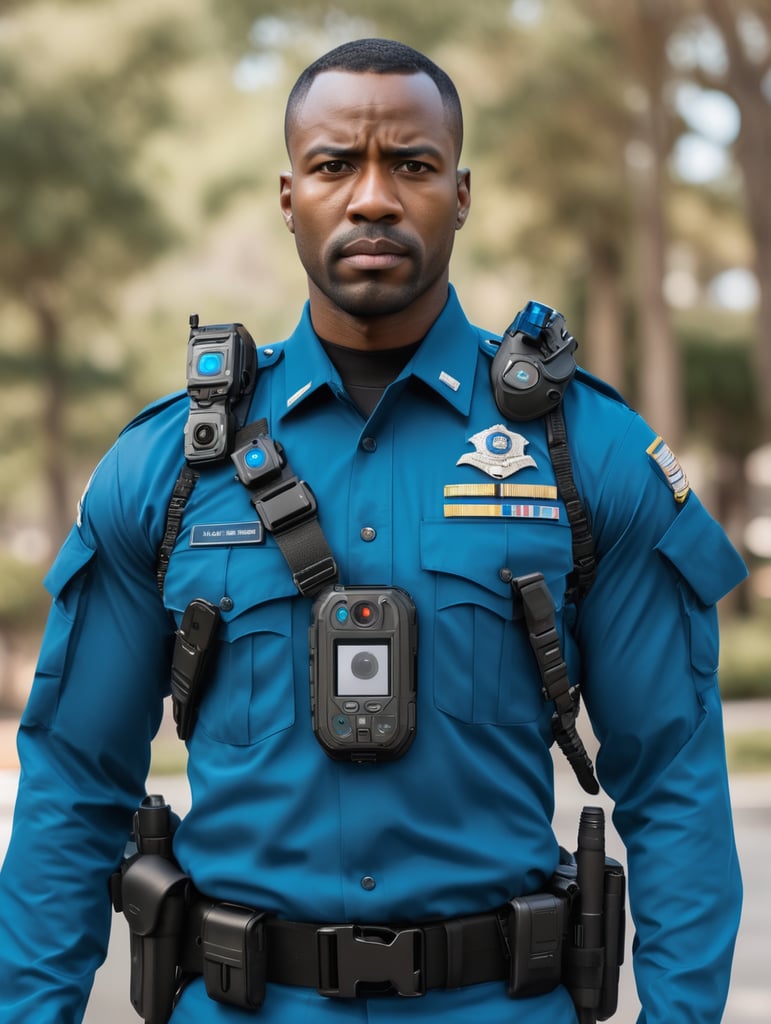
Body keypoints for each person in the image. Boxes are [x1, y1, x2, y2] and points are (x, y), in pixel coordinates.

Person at [0, 37, 747, 1024]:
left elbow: (675, 777)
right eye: (334, 164)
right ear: (288, 194)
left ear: (463, 192)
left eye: (413, 164)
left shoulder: (588, 454)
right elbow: (74, 784)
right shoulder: (167, 469)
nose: (373, 197)